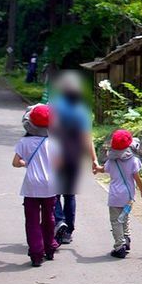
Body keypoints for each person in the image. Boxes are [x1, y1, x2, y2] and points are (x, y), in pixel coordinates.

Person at [50, 71, 98, 245]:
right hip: (75, 155)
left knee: (54, 192)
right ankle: (68, 231)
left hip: (56, 152)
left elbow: (48, 130)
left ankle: (58, 220)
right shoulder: (82, 110)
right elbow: (87, 137)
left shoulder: (54, 106)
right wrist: (94, 160)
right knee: (70, 195)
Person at [12, 104, 60, 267]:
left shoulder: (24, 142)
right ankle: (50, 247)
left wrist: (26, 163)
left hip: (31, 186)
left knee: (32, 220)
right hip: (50, 185)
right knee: (49, 217)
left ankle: (36, 253)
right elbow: (58, 164)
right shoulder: (54, 142)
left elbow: (15, 163)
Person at [99, 129, 142, 258]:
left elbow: (103, 169)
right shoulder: (134, 160)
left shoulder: (111, 161)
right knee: (124, 217)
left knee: (116, 221)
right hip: (129, 196)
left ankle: (119, 247)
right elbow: (137, 178)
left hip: (115, 196)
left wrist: (96, 169)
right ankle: (127, 239)